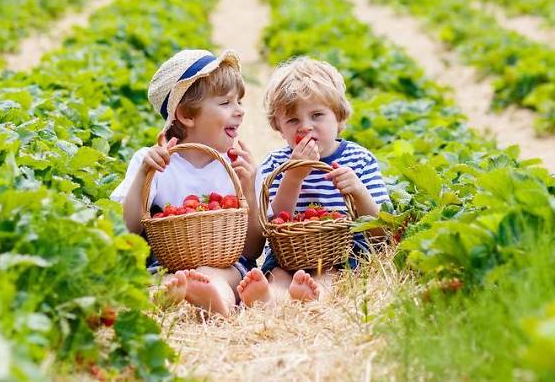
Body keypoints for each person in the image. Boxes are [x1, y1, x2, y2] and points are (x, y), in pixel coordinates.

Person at [110, 49, 263, 317]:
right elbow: (126, 231)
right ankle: (176, 294)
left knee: (222, 277)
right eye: (226, 103)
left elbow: (252, 250)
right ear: (187, 115)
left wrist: (249, 189)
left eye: (238, 101)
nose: (239, 111)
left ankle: (217, 303)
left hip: (226, 264)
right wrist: (144, 176)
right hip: (165, 265)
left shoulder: (238, 166)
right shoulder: (154, 162)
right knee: (163, 279)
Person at [236, 57, 389, 306]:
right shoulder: (275, 164)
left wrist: (359, 193)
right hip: (288, 256)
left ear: (339, 118)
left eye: (317, 115)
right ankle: (268, 298)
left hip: (341, 253)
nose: (305, 127)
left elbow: (381, 232)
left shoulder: (359, 160)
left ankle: (313, 295)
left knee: (329, 275)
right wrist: (294, 176)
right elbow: (275, 224)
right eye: (293, 120)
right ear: (278, 127)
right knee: (279, 275)